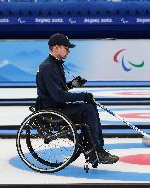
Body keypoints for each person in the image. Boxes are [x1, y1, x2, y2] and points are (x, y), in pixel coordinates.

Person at [36, 33, 119, 164]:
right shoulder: (47, 67)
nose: (68, 51)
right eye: (66, 48)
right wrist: (83, 96)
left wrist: (71, 85)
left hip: (57, 106)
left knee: (90, 107)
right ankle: (95, 151)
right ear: (56, 48)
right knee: (88, 110)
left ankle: (96, 149)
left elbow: (57, 90)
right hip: (52, 110)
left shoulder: (55, 64)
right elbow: (58, 96)